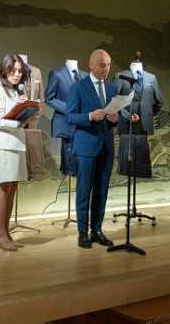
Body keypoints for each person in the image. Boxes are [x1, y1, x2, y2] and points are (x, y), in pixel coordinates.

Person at [66, 49, 119, 249]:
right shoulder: (78, 87)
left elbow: (115, 118)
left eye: (108, 65)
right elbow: (70, 116)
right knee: (83, 191)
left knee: (102, 190)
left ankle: (97, 230)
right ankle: (82, 233)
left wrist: (115, 119)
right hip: (86, 147)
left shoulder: (112, 88)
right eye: (102, 65)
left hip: (106, 146)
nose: (106, 69)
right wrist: (89, 116)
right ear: (91, 65)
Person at [0, 53, 38, 251]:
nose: (17, 74)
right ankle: (0, 234)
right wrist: (18, 121)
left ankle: (6, 233)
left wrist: (26, 110)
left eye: (20, 71)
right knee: (4, 187)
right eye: (13, 70)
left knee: (13, 187)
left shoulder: (16, 91)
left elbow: (16, 118)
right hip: (4, 144)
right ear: (4, 70)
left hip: (16, 142)